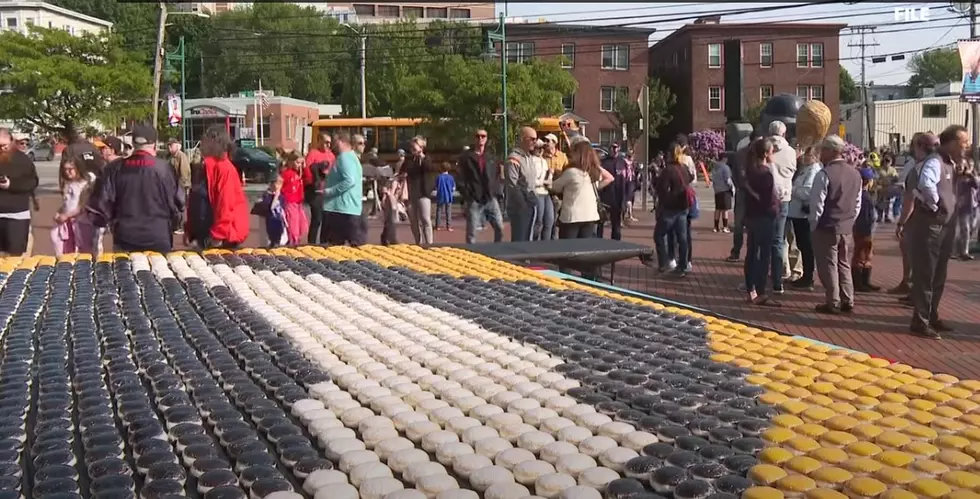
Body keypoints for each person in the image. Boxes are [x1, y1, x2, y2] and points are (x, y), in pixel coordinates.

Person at [902, 124, 969, 338]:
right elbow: (926, 184)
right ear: (949, 143)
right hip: (932, 225)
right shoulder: (935, 162)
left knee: (939, 274)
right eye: (963, 143)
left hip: (945, 226)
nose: (966, 147)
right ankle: (920, 320)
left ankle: (931, 314)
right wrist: (936, 205)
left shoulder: (951, 163)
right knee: (926, 274)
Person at [87, 124, 182, 253]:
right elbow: (179, 203)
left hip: (125, 236)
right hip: (158, 235)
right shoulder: (165, 169)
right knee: (159, 272)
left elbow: (100, 204)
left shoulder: (114, 168)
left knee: (126, 272)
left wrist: (111, 222)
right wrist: (172, 225)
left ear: (133, 143)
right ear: (154, 144)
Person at [809, 135, 862, 315]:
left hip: (827, 226)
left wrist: (814, 225)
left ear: (832, 151)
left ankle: (833, 301)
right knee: (843, 262)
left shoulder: (824, 174)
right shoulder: (855, 174)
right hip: (846, 226)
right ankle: (848, 298)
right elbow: (857, 203)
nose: (821, 154)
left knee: (828, 264)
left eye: (824, 150)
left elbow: (817, 204)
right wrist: (850, 220)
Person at [551, 138, 614, 277]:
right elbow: (610, 178)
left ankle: (565, 279)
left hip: (571, 218)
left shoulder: (571, 173)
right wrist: (595, 165)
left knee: (566, 253)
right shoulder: (593, 175)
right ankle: (587, 280)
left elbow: (554, 186)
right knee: (585, 253)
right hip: (590, 217)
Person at [891, 132, 935, 296]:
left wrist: (901, 222)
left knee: (915, 255)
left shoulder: (921, 169)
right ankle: (908, 283)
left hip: (917, 217)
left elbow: (910, 197)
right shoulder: (923, 165)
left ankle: (915, 291)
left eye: (914, 144)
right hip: (924, 216)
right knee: (913, 254)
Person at [742, 138, 781, 307]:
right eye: (772, 151)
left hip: (751, 216)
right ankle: (761, 291)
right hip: (764, 217)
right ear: (766, 154)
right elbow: (767, 200)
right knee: (764, 256)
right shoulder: (765, 174)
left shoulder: (750, 170)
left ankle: (751, 290)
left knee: (751, 253)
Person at [652, 141, 693, 277]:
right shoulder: (684, 168)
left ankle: (664, 265)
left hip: (670, 208)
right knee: (682, 238)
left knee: (659, 235)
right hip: (683, 207)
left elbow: (661, 189)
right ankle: (683, 266)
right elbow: (691, 178)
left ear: (669, 154)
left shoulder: (668, 170)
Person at [458, 129, 504, 244]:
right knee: (472, 232)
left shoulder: (491, 157)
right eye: (477, 136)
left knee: (499, 227)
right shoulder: (466, 157)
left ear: (486, 138)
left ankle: (498, 250)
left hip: (490, 197)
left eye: (483, 136)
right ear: (474, 138)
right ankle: (471, 255)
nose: (480, 138)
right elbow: (460, 177)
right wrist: (467, 193)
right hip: (474, 199)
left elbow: (497, 174)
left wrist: (496, 191)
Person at [768, 121, 797, 293]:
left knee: (761, 241)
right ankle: (777, 281)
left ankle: (758, 279)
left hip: (765, 199)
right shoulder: (791, 152)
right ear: (784, 134)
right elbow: (792, 171)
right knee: (779, 241)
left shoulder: (763, 148)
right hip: (784, 198)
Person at [321, 132, 365, 246]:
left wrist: (329, 191)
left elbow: (349, 181)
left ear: (341, 142)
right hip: (349, 208)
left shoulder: (344, 158)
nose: (332, 146)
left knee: (334, 246)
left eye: (334, 143)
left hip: (341, 209)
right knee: (354, 245)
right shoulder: (352, 157)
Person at [788, 148, 822, 290]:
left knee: (806, 246)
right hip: (796, 213)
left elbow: (807, 192)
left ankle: (808, 277)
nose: (805, 157)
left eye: (808, 155)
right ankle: (806, 276)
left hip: (803, 214)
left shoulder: (813, 171)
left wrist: (792, 189)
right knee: (802, 245)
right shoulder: (805, 169)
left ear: (814, 157)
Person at [727, 130, 758, 262]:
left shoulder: (762, 153)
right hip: (745, 193)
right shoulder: (742, 154)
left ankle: (752, 253)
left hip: (754, 194)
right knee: (739, 224)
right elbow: (737, 175)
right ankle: (737, 251)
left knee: (753, 225)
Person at [49, 157, 90, 256]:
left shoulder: (84, 185)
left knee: (82, 249)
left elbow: (83, 206)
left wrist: (67, 215)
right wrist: (59, 212)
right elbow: (66, 203)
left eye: (70, 169)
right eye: (65, 170)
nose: (68, 172)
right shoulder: (68, 184)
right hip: (67, 221)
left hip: (80, 222)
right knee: (61, 245)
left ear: (78, 169)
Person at [505, 127, 539, 242]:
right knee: (520, 237)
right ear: (522, 139)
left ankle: (527, 258)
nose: (535, 142)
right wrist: (522, 204)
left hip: (530, 203)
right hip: (520, 206)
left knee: (528, 236)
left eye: (536, 139)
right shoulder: (514, 158)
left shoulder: (528, 157)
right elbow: (512, 184)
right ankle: (519, 259)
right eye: (532, 139)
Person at [404, 136, 438, 245]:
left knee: (425, 219)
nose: (412, 148)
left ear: (421, 147)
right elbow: (403, 171)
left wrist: (422, 157)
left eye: (415, 146)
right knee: (413, 221)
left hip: (423, 193)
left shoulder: (427, 159)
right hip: (411, 192)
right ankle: (418, 242)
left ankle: (429, 243)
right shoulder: (409, 159)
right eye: (411, 147)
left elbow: (430, 168)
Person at [304, 132, 335, 244]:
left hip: (327, 190)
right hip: (315, 191)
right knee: (317, 218)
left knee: (327, 218)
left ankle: (323, 242)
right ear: (320, 141)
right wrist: (314, 182)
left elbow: (334, 169)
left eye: (330, 143)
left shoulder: (331, 155)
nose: (328, 145)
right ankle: (311, 242)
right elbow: (307, 169)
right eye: (326, 142)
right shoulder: (313, 153)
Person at [853, 166, 880, 293]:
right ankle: (859, 282)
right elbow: (866, 217)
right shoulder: (864, 197)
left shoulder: (864, 196)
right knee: (861, 255)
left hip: (866, 229)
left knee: (866, 255)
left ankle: (865, 281)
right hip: (864, 230)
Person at [598, 143, 632, 241]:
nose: (614, 150)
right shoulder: (603, 162)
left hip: (618, 198)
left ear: (619, 148)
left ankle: (616, 244)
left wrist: (628, 197)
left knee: (616, 224)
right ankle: (598, 243)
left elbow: (629, 181)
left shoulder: (623, 163)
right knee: (600, 223)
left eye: (616, 147)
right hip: (604, 197)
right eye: (612, 147)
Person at [280, 152, 308, 246]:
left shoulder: (298, 174)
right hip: (290, 202)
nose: (299, 165)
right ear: (291, 162)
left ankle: (296, 242)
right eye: (297, 162)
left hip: (298, 203)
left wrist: (304, 166)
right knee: (293, 226)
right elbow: (280, 187)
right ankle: (292, 243)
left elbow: (309, 178)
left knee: (301, 226)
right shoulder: (286, 174)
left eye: (300, 163)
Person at [954, 157, 980, 260]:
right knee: (965, 229)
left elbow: (977, 185)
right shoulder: (957, 177)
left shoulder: (971, 177)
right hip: (962, 206)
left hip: (973, 206)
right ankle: (963, 252)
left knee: (972, 228)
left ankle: (961, 248)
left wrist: (971, 175)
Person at [530, 140, 555, 241]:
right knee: (538, 221)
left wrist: (550, 175)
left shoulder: (544, 161)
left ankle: (546, 244)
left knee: (549, 220)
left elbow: (548, 179)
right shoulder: (531, 160)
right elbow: (531, 180)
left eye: (542, 148)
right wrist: (542, 182)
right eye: (538, 148)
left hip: (546, 192)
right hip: (537, 192)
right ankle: (534, 242)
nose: (541, 150)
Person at [168, 138, 192, 235]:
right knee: (174, 205)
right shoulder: (171, 157)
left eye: (171, 145)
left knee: (180, 205)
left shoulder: (181, 156)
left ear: (177, 146)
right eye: (168, 146)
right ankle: (175, 225)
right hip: (173, 185)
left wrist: (183, 186)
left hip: (180, 185)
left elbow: (184, 172)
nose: (169, 148)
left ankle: (180, 226)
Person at [380, 169, 408, 246]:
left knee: (389, 221)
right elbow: (391, 194)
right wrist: (393, 205)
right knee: (392, 221)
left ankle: (385, 237)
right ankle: (391, 238)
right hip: (391, 202)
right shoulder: (395, 182)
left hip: (391, 202)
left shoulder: (395, 180)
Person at [260, 177, 288, 248]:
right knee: (268, 240)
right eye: (277, 184)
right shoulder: (267, 195)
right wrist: (276, 196)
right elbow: (270, 207)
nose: (279, 187)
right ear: (271, 184)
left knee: (280, 239)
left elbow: (282, 209)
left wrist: (285, 221)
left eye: (280, 184)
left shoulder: (281, 196)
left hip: (278, 220)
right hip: (269, 220)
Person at [710, 152, 734, 233]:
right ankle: (725, 226)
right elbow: (728, 180)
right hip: (725, 190)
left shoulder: (715, 167)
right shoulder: (725, 168)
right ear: (724, 158)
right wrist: (732, 188)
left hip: (717, 190)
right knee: (725, 209)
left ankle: (716, 227)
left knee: (718, 209)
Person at [434, 162, 456, 232]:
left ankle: (437, 225)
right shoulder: (451, 177)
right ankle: (448, 226)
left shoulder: (439, 177)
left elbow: (436, 186)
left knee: (439, 211)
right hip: (449, 195)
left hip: (440, 195)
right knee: (448, 211)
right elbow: (453, 187)